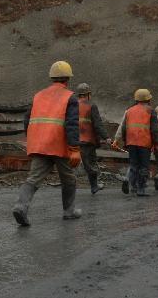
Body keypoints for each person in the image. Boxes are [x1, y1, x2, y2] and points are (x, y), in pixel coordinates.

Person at [13, 61, 82, 224]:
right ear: (67, 79)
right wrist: (74, 149)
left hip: (40, 144)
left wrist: (32, 138)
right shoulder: (69, 97)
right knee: (69, 179)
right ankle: (69, 211)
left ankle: (20, 207)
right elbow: (72, 124)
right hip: (59, 145)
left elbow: (27, 119)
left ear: (52, 77)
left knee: (33, 178)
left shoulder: (38, 95)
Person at [113, 89, 158, 197]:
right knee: (144, 167)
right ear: (148, 99)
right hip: (144, 143)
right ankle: (141, 189)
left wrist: (122, 141)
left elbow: (123, 127)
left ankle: (129, 181)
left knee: (134, 165)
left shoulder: (129, 110)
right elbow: (156, 130)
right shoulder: (151, 111)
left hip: (131, 142)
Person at [75, 83, 109, 194]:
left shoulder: (72, 105)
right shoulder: (91, 105)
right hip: (88, 140)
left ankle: (94, 186)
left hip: (75, 139)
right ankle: (94, 186)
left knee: (87, 163)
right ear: (88, 94)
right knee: (90, 164)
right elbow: (98, 124)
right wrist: (107, 137)